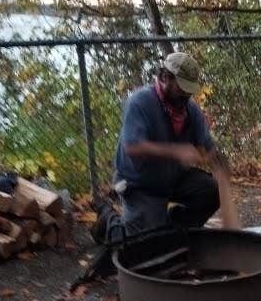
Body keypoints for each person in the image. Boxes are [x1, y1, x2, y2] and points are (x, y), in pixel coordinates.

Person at [92, 52, 229, 242]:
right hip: (140, 184)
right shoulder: (140, 102)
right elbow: (132, 147)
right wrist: (175, 151)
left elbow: (206, 145)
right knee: (139, 246)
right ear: (165, 77)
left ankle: (171, 230)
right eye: (182, 88)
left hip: (173, 178)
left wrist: (219, 164)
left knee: (212, 190)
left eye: (189, 90)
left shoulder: (190, 109)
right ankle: (108, 219)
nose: (186, 95)